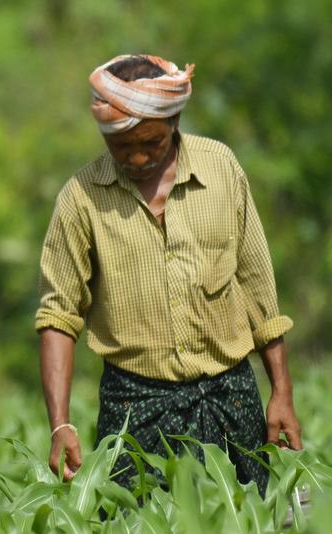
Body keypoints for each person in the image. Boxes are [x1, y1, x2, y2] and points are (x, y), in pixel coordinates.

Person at [35, 54, 303, 493]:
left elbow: (258, 288)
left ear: (174, 120)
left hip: (229, 399)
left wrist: (282, 393)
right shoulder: (80, 200)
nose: (138, 158)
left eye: (152, 144)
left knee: (249, 529)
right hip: (134, 407)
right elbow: (57, 318)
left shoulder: (222, 169)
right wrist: (59, 424)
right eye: (122, 148)